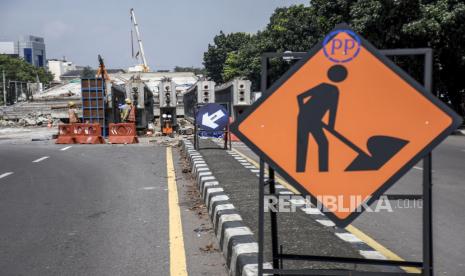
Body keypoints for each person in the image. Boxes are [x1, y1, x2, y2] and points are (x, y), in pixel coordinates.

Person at [296, 65, 348, 172]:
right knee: (303, 144)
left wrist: (331, 126)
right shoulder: (323, 86)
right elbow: (300, 96)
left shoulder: (335, 91)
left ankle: (323, 170)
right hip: (303, 118)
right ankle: (300, 170)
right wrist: (303, 111)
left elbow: (333, 111)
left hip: (315, 121)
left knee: (323, 143)